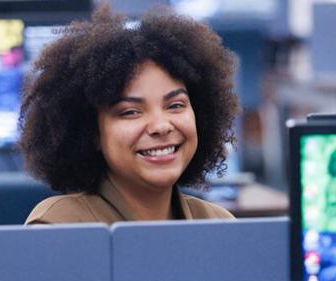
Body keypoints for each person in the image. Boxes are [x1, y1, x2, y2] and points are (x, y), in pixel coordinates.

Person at [19, 5, 239, 224]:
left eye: (175, 105)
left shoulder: (219, 223)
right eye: (131, 112)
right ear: (91, 132)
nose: (161, 126)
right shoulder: (61, 225)